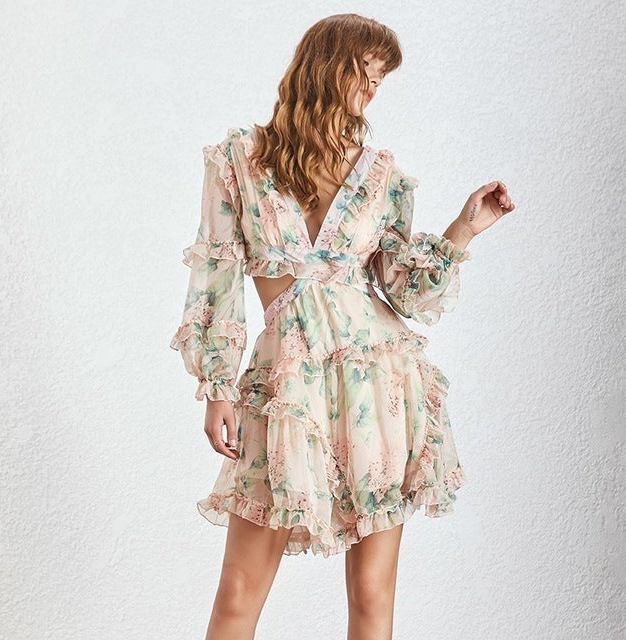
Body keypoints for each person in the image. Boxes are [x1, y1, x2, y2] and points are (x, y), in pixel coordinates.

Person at [170, 13, 516, 640]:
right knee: (239, 592)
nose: (374, 87)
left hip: (379, 387)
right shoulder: (238, 161)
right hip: (287, 390)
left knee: (372, 595)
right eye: (366, 70)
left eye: (382, 77)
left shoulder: (381, 176)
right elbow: (216, 278)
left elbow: (402, 289)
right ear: (327, 66)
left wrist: (464, 228)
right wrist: (217, 387)